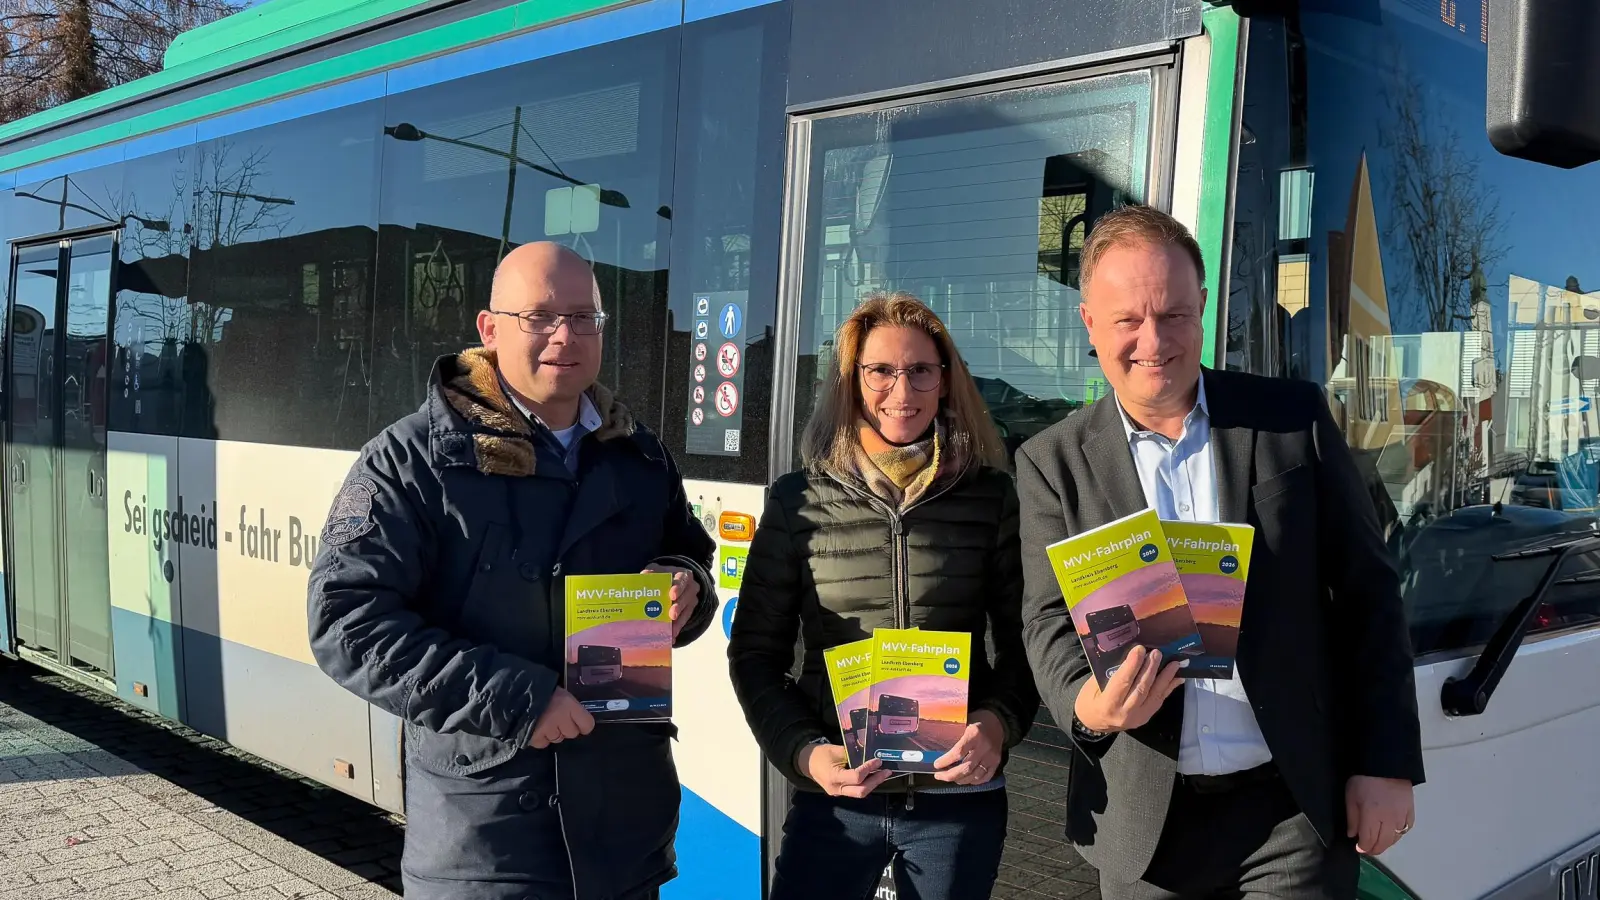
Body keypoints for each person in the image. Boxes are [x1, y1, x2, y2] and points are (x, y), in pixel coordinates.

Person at [1013, 205, 1425, 900]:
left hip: (1288, 809)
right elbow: (1046, 620)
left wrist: (1385, 762)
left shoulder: (1292, 420)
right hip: (1145, 821)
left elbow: (1368, 595)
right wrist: (1091, 706)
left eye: (1174, 314)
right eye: (1127, 321)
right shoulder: (1051, 463)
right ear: (1089, 323)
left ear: (1202, 306)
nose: (1153, 340)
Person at [306, 241, 718, 900]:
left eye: (584, 317)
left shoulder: (639, 457)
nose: (565, 335)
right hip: (486, 846)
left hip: (624, 838)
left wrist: (686, 587)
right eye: (540, 317)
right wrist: (521, 701)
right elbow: (346, 627)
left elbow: (691, 555)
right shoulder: (410, 461)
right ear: (490, 329)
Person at [728, 290, 1040, 900]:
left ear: (946, 380)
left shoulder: (991, 497)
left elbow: (1029, 644)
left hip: (957, 800)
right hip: (839, 800)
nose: (903, 391)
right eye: (881, 371)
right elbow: (755, 656)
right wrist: (805, 754)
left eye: (921, 370)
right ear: (851, 382)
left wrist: (997, 727)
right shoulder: (799, 500)